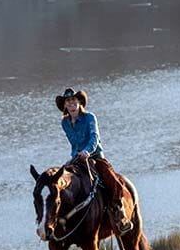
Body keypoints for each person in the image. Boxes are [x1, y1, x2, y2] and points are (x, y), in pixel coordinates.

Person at [57, 87, 133, 234]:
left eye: (73, 100)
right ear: (65, 105)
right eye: (68, 101)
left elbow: (94, 137)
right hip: (76, 159)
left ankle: (120, 214)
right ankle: (63, 218)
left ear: (79, 102)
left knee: (112, 181)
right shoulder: (65, 123)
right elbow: (73, 143)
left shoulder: (90, 117)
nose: (71, 104)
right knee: (60, 182)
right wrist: (77, 156)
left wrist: (87, 151)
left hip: (95, 156)